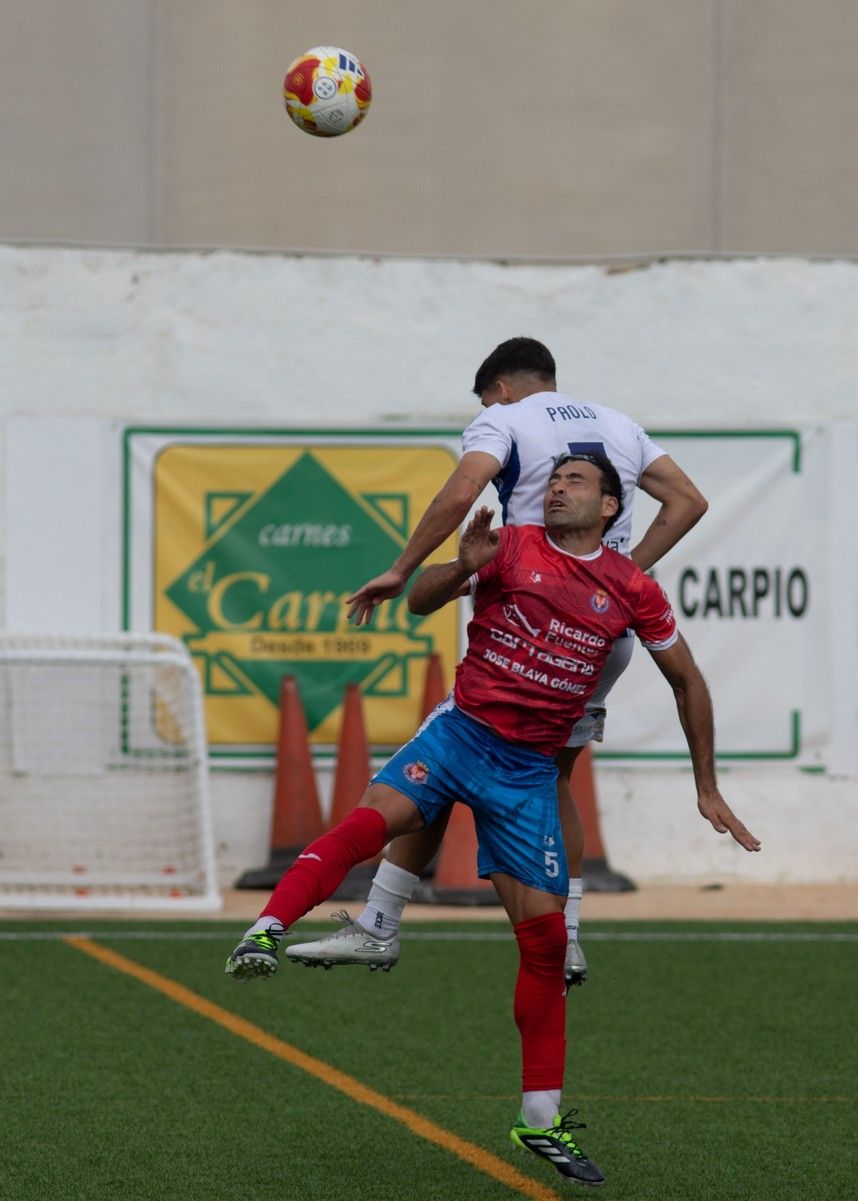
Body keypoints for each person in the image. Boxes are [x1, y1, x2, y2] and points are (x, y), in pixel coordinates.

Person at [226, 453, 759, 1186]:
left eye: (577, 480)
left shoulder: (632, 587)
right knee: (373, 819)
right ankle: (266, 928)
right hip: (461, 732)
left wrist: (707, 785)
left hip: (526, 773)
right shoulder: (508, 545)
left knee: (543, 949)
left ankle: (539, 1122)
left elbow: (687, 680)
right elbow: (419, 603)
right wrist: (459, 566)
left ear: (611, 506)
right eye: (557, 477)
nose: (559, 485)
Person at [287, 337, 708, 984]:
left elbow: (461, 495)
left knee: (451, 759)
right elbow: (688, 500)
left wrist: (402, 568)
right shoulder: (620, 424)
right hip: (600, 629)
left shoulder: (506, 418)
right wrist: (618, 577)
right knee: (552, 775)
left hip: (527, 614)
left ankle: (381, 920)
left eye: (485, 398)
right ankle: (564, 936)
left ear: (501, 388)